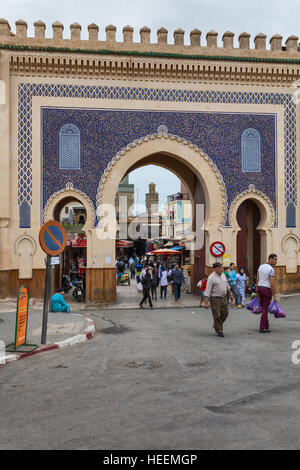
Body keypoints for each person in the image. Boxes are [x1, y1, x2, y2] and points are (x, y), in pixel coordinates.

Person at [204, 263, 234, 337]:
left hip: (223, 297)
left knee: (225, 313)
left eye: (222, 267)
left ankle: (216, 324)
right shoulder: (211, 277)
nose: (222, 269)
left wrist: (231, 294)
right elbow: (207, 290)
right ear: (215, 268)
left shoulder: (223, 275)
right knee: (216, 315)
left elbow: (227, 286)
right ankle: (219, 331)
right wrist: (206, 302)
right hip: (215, 299)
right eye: (220, 268)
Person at [257, 254, 278, 333]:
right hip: (266, 289)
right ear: (270, 259)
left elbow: (257, 279)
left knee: (264, 308)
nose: (276, 261)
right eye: (275, 259)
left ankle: (266, 325)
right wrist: (274, 294)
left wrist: (257, 291)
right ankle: (262, 327)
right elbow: (272, 282)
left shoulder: (261, 266)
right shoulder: (271, 269)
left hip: (260, 288)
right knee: (265, 309)